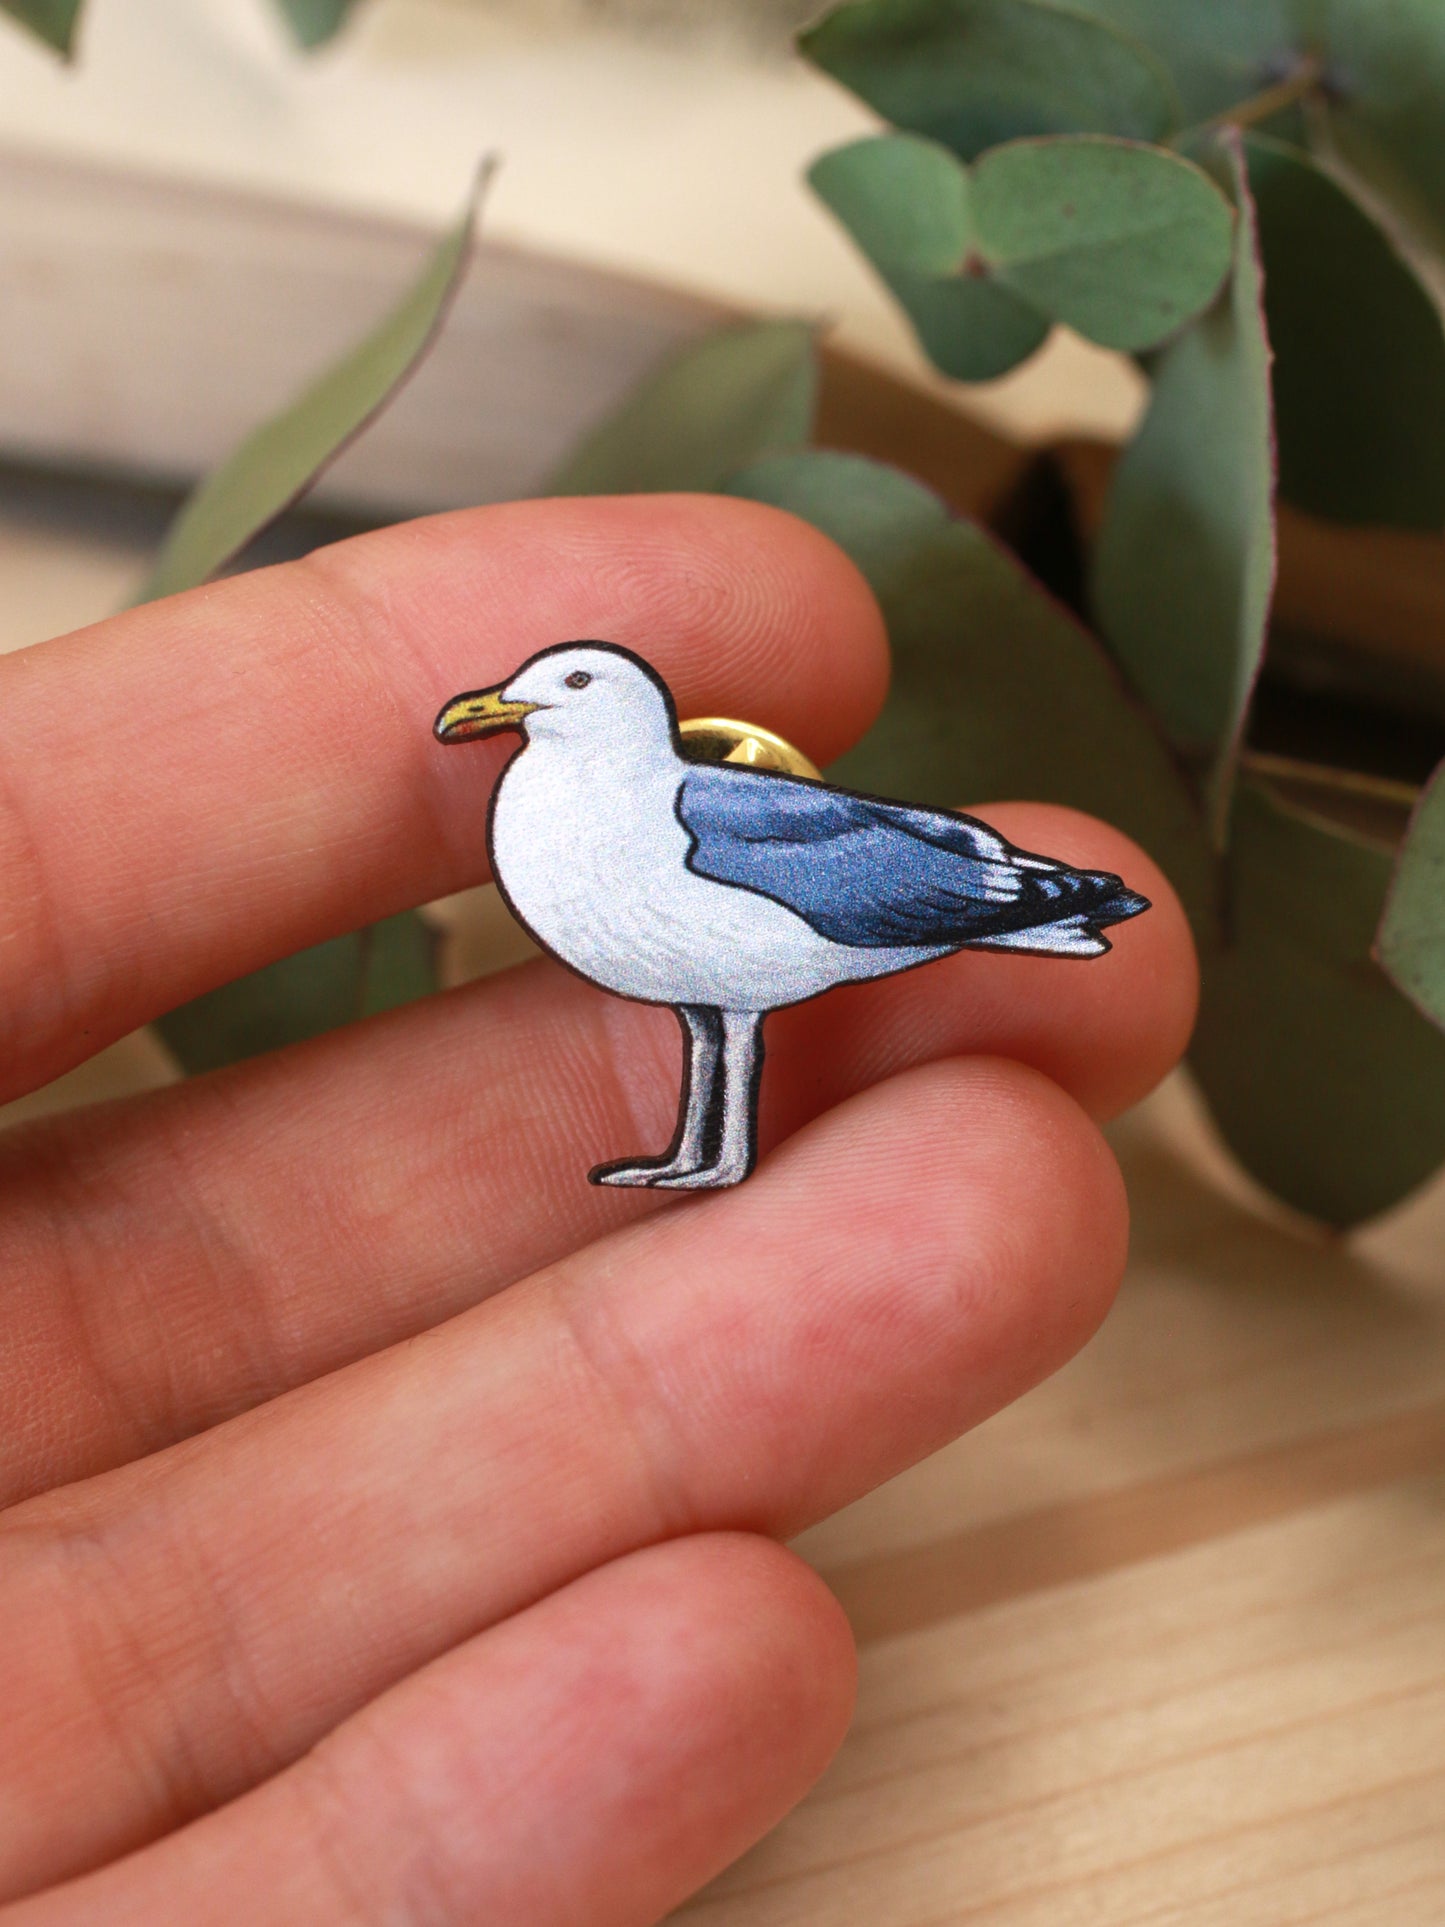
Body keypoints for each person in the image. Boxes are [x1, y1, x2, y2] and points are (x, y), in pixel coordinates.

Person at [0, 494, 1195, 1924]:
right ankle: (704, 1149)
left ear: (612, 710)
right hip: (740, 920)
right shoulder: (559, 810)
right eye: (528, 687)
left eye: (556, 686)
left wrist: (1013, 898)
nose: (518, 701)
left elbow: (777, 895)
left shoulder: (685, 812)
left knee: (732, 1006)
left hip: (838, 904)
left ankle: (713, 1146)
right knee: (714, 1012)